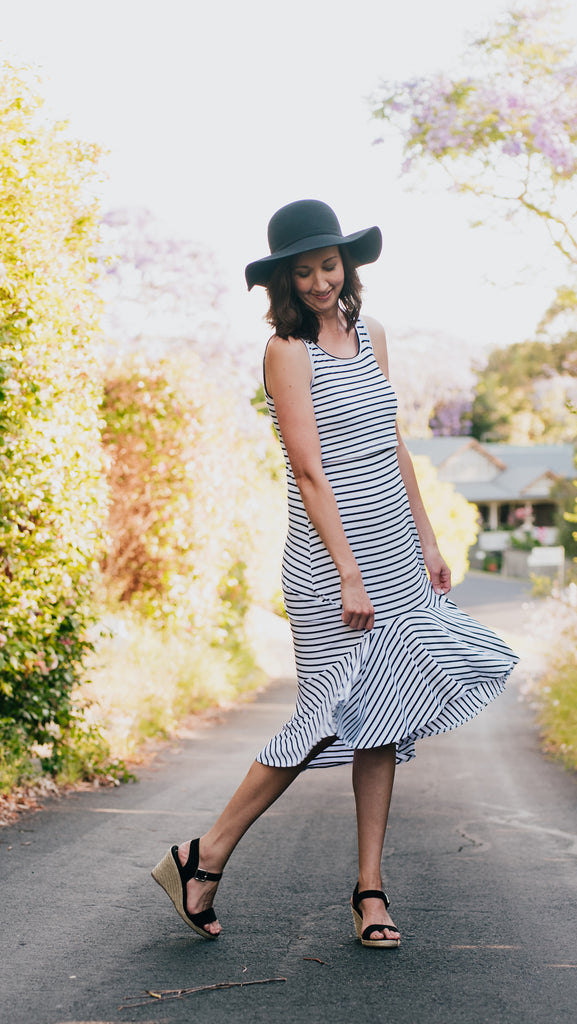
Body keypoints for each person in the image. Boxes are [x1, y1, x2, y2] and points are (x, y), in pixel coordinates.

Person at [152, 200, 518, 948]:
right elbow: (309, 470)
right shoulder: (286, 350)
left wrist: (429, 540)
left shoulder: (371, 333)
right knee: (323, 718)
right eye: (304, 271)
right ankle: (204, 855)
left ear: (347, 265)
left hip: (397, 554)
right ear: (284, 281)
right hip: (330, 563)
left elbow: (393, 444)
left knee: (382, 713)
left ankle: (370, 890)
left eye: (330, 265)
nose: (321, 282)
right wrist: (349, 573)